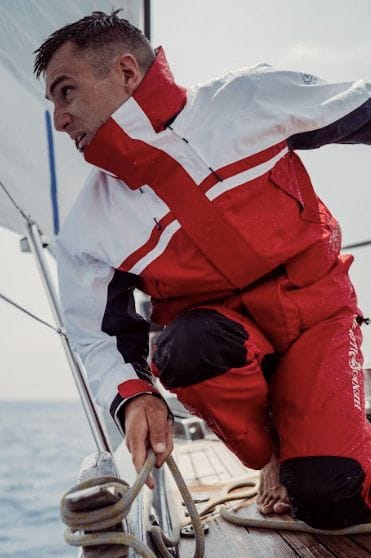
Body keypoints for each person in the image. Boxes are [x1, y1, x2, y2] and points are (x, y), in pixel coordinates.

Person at [34, 10, 371, 528]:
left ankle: (325, 435)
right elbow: (94, 336)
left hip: (319, 320)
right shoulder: (89, 228)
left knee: (332, 497)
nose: (58, 119)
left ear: (126, 72)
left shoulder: (246, 101)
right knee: (181, 347)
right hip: (222, 348)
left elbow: (361, 108)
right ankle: (277, 448)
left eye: (66, 92)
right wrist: (136, 396)